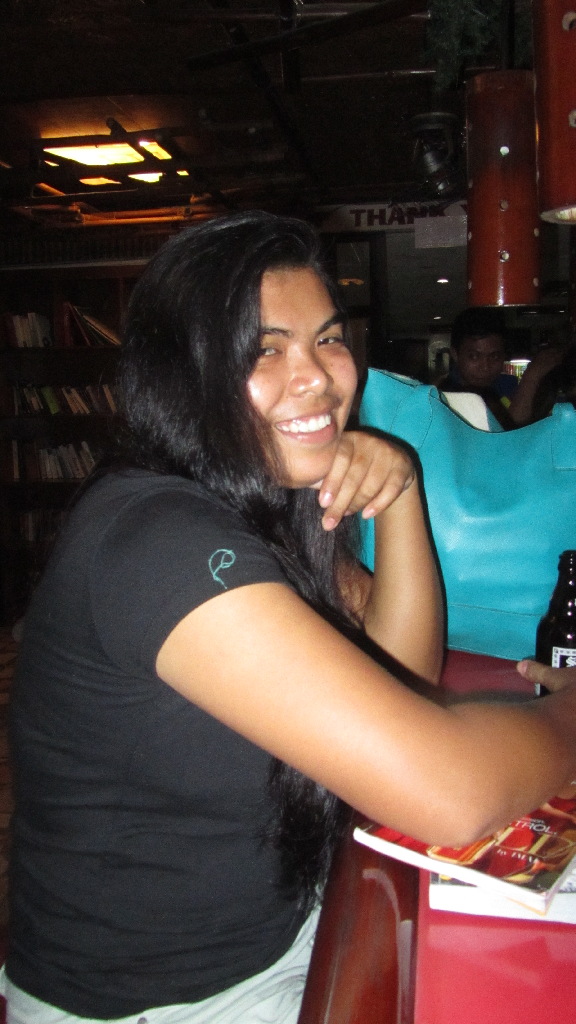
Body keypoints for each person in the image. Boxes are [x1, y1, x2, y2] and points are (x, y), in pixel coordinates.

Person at [4, 211, 576, 1024]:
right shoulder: (158, 540)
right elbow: (449, 793)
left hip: (280, 931)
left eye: (328, 339)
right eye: (265, 349)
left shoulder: (258, 501)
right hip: (160, 1004)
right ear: (185, 371)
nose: (317, 378)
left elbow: (404, 674)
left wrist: (399, 491)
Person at [436, 306, 518, 429]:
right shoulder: (439, 399)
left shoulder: (513, 391)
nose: (485, 367)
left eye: (494, 357)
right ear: (455, 354)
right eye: (474, 357)